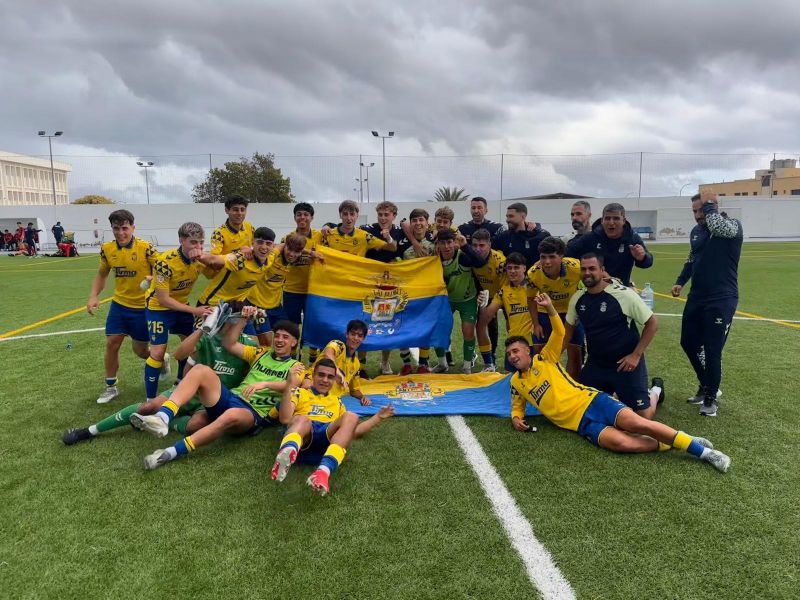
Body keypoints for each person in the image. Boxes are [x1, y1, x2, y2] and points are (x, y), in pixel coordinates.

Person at [506, 293, 731, 473]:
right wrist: (516, 418)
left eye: (516, 351)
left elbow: (559, 331)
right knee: (623, 444)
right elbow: (517, 406)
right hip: (581, 424)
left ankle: (704, 453)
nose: (512, 356)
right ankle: (676, 441)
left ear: (527, 350)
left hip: (592, 401)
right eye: (509, 354)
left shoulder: (545, 358)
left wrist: (550, 308)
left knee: (639, 424)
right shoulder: (516, 382)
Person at [132, 309, 304, 469]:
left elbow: (292, 385)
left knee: (229, 415)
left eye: (285, 337)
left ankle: (169, 453)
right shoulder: (261, 353)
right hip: (233, 397)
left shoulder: (297, 367)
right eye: (277, 336)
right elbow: (228, 343)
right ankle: (163, 417)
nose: (279, 340)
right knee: (201, 369)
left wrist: (265, 384)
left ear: (294, 342)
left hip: (252, 411)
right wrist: (244, 319)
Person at [63, 321, 256, 445]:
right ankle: (89, 431)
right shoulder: (207, 337)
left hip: (214, 398)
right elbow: (179, 355)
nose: (229, 321)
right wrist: (201, 329)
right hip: (189, 390)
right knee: (148, 406)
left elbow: (249, 375)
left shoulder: (248, 344)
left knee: (197, 424)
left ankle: (160, 420)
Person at [672, 192, 743, 417]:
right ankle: (706, 385)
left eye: (702, 210)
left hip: (722, 298)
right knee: (688, 342)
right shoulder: (696, 232)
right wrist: (680, 281)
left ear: (713, 207)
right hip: (697, 296)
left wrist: (710, 204)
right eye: (694, 211)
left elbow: (718, 227)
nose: (698, 215)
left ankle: (710, 397)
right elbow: (692, 259)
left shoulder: (732, 226)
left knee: (712, 348)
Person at [565, 254, 661, 420]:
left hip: (626, 364)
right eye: (583, 269)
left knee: (643, 416)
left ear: (602, 270)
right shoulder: (578, 298)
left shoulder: (624, 295)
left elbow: (652, 323)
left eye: (592, 268)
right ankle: (617, 392)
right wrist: (550, 358)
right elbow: (567, 332)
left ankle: (655, 391)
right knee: (582, 410)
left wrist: (635, 355)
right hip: (596, 364)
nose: (587, 273)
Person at [271, 358, 382, 496]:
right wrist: (289, 385)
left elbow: (352, 432)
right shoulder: (299, 392)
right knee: (303, 419)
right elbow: (285, 419)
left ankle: (323, 471)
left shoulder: (337, 401)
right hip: (302, 438)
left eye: (330, 377)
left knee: (352, 416)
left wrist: (378, 417)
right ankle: (287, 452)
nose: (325, 380)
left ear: (334, 380)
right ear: (313, 375)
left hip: (325, 440)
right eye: (321, 375)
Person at [87, 210, 159, 404]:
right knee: (112, 343)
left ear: (133, 228)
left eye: (125, 228)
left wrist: (153, 278)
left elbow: (163, 270)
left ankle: (163, 359)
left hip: (143, 307)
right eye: (116, 228)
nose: (121, 233)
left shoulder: (146, 248)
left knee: (140, 351)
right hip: (119, 305)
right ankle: (111, 387)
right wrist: (93, 296)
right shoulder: (107, 249)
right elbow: (102, 274)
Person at [143, 222, 214, 402]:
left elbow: (214, 274)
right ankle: (150, 400)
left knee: (190, 346)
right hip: (158, 309)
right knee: (157, 353)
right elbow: (163, 299)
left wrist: (209, 258)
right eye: (193, 242)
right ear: (181, 240)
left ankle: (180, 382)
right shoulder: (165, 262)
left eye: (201, 242)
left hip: (181, 306)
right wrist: (195, 310)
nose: (198, 247)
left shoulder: (199, 259)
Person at [246, 233, 317, 347]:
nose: (292, 254)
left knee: (290, 334)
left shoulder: (292, 259)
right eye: (290, 250)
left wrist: (311, 253)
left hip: (276, 306)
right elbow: (261, 250)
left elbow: (296, 248)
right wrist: (246, 249)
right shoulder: (273, 255)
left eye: (296, 252)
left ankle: (287, 357)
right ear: (285, 246)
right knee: (265, 344)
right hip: (257, 305)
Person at [526, 237, 584, 379]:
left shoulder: (575, 267)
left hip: (571, 313)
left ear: (561, 256)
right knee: (538, 353)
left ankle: (572, 386)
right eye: (543, 257)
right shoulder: (533, 273)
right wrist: (536, 324)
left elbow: (595, 276)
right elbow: (530, 299)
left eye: (552, 257)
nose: (547, 262)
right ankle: (540, 383)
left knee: (575, 353)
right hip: (545, 313)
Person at [359, 201, 405, 374]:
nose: (383, 218)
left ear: (394, 216)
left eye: (387, 215)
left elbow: (401, 254)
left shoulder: (400, 232)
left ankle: (385, 362)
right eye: (380, 214)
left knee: (387, 322)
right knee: (364, 322)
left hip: (390, 286)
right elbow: (345, 227)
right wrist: (327, 225)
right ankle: (360, 364)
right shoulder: (368, 230)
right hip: (369, 285)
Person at [433, 229, 488, 373]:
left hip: (467, 300)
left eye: (449, 242)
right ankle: (442, 363)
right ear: (438, 244)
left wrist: (465, 246)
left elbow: (480, 263)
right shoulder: (434, 260)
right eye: (443, 243)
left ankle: (467, 366)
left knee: (468, 331)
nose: (447, 246)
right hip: (446, 301)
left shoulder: (462, 257)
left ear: (454, 242)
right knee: (439, 329)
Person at [566, 202, 652, 286]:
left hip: (621, 290)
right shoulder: (591, 237)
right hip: (595, 289)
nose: (611, 222)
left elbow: (648, 263)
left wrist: (642, 257)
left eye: (616, 218)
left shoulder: (632, 238)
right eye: (607, 218)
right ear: (602, 220)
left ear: (623, 221)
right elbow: (567, 252)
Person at [395, 208, 437, 374]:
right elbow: (402, 222)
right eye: (415, 220)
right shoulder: (402, 241)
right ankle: (406, 363)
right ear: (411, 223)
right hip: (407, 294)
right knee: (402, 328)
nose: (418, 223)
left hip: (428, 294)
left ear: (427, 222)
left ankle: (423, 364)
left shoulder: (435, 239)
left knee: (426, 328)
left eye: (421, 220)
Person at [477, 252, 532, 372]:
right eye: (509, 268)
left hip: (532, 343)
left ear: (524, 268)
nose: (512, 271)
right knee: (511, 380)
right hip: (513, 344)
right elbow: (486, 317)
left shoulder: (534, 287)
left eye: (516, 268)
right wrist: (482, 305)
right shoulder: (504, 291)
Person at [197, 226, 276, 307]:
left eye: (268, 243)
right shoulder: (240, 259)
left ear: (273, 246)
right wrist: (196, 252)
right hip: (213, 304)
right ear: (252, 243)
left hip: (236, 304)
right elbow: (213, 260)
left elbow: (281, 247)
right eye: (260, 242)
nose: (264, 247)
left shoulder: (271, 257)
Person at [303, 320, 372, 406]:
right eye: (353, 334)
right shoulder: (339, 345)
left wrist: (362, 397)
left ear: (363, 338)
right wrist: (337, 371)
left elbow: (354, 390)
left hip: (330, 399)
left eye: (360, 336)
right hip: (312, 383)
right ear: (347, 334)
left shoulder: (356, 363)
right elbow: (329, 352)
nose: (356, 338)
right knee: (306, 386)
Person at [281, 202, 318, 356]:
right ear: (295, 217)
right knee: (292, 328)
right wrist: (309, 252)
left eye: (306, 214)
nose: (302, 217)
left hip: (313, 292)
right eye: (299, 214)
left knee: (313, 326)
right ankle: (291, 359)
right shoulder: (287, 238)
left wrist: (328, 226)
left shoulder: (320, 237)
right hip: (291, 291)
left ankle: (313, 359)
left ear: (312, 217)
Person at [471, 228, 507, 369]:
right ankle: (490, 359)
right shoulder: (470, 257)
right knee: (484, 323)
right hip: (486, 294)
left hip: (505, 294)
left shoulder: (500, 261)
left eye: (482, 245)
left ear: (489, 245)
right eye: (475, 245)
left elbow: (505, 287)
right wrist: (479, 293)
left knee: (512, 325)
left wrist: (494, 303)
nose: (477, 249)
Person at [316, 199, 397, 256]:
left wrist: (388, 237)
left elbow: (392, 248)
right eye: (345, 214)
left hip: (356, 275)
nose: (349, 218)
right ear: (340, 215)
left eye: (352, 214)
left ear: (357, 215)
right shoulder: (328, 234)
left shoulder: (365, 236)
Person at [492, 203, 551, 268]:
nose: (507, 220)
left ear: (523, 217)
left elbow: (553, 255)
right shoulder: (503, 237)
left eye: (511, 216)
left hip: (534, 274)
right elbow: (487, 247)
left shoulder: (541, 236)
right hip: (511, 274)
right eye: (507, 216)